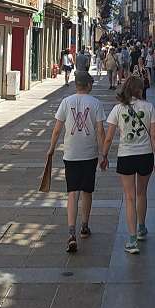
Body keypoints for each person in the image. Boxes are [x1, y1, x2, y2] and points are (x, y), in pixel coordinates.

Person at [46, 71, 106, 253]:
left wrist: (51, 148)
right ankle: (84, 226)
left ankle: (71, 231)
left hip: (70, 153)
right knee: (87, 191)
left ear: (75, 85)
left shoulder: (66, 102)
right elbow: (100, 131)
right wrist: (104, 154)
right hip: (89, 153)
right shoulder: (95, 103)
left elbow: (57, 130)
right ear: (88, 85)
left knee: (72, 192)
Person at [101, 75, 155, 254]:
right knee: (142, 193)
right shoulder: (149, 107)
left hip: (126, 156)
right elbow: (154, 136)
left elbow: (109, 137)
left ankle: (132, 239)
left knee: (129, 197)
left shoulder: (118, 109)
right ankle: (142, 227)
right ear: (139, 89)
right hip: (145, 156)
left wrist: (103, 156)